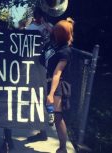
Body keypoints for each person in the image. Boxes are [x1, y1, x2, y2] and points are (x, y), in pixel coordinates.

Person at [45, 18, 74, 153]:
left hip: (58, 86)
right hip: (50, 82)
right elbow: (50, 29)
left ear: (60, 35)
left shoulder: (65, 51)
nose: (53, 32)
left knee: (57, 117)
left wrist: (51, 94)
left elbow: (57, 73)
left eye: (56, 31)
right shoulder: (55, 44)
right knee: (51, 114)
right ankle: (43, 131)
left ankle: (63, 148)